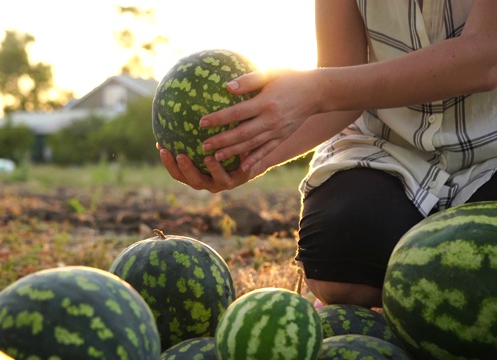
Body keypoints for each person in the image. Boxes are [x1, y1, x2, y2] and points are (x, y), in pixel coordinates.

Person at [158, 0, 497, 308]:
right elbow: (340, 86)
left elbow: (485, 57)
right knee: (338, 269)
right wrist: (253, 155)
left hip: (491, 152)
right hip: (387, 148)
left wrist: (317, 89)